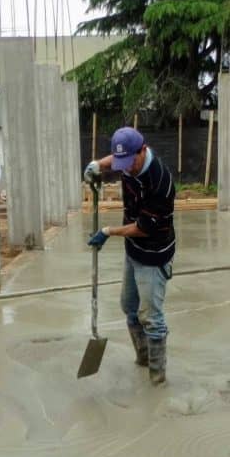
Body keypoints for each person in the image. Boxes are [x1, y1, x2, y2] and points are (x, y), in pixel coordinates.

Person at [83, 127, 176, 384]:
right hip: (133, 250)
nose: (125, 168)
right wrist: (96, 165)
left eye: (130, 162)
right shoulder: (127, 160)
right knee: (129, 307)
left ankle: (157, 379)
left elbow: (143, 229)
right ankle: (143, 358)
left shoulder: (160, 182)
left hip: (154, 253)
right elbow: (115, 159)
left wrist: (108, 231)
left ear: (143, 150)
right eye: (120, 162)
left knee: (151, 317)